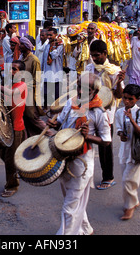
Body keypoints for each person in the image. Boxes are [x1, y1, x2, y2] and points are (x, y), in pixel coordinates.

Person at [47, 72, 111, 235]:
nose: (80, 91)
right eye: (79, 87)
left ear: (95, 92)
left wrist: (87, 136)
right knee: (73, 199)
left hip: (82, 163)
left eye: (86, 88)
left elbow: (106, 140)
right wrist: (53, 124)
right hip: (63, 158)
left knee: (70, 206)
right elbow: (60, 123)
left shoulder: (99, 112)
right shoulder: (71, 102)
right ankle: (86, 229)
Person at [86, 40, 125, 190]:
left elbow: (118, 94)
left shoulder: (114, 71)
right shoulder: (89, 68)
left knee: (105, 146)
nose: (94, 58)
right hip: (90, 111)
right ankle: (85, 176)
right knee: (86, 143)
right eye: (92, 56)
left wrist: (120, 82)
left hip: (106, 113)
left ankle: (108, 177)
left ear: (105, 54)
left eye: (97, 56)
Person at [0, 60, 27, 197]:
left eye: (15, 69)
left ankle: (12, 185)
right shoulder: (10, 84)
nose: (12, 71)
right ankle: (18, 173)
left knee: (10, 159)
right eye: (11, 69)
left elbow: (12, 93)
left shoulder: (22, 84)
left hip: (17, 127)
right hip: (7, 127)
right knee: (3, 154)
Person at [115, 84, 140, 220]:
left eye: (130, 99)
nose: (127, 102)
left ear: (137, 99)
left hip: (136, 151)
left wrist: (131, 119)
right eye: (124, 98)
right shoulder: (119, 112)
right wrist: (121, 134)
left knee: (127, 180)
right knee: (128, 178)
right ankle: (134, 201)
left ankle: (129, 207)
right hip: (124, 150)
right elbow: (119, 128)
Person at [18, 36, 52, 137]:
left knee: (32, 116)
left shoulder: (34, 60)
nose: (20, 46)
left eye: (22, 44)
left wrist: (25, 85)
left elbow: (37, 79)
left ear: (28, 46)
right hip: (21, 92)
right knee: (24, 116)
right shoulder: (21, 58)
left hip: (30, 92)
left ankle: (50, 134)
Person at [41, 28, 64, 108]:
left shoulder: (60, 45)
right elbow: (44, 59)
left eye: (51, 35)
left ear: (56, 35)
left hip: (56, 72)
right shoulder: (47, 45)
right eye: (48, 35)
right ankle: (45, 108)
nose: (49, 37)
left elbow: (54, 56)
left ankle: (57, 109)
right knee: (45, 93)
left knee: (57, 94)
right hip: (47, 72)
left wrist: (54, 47)